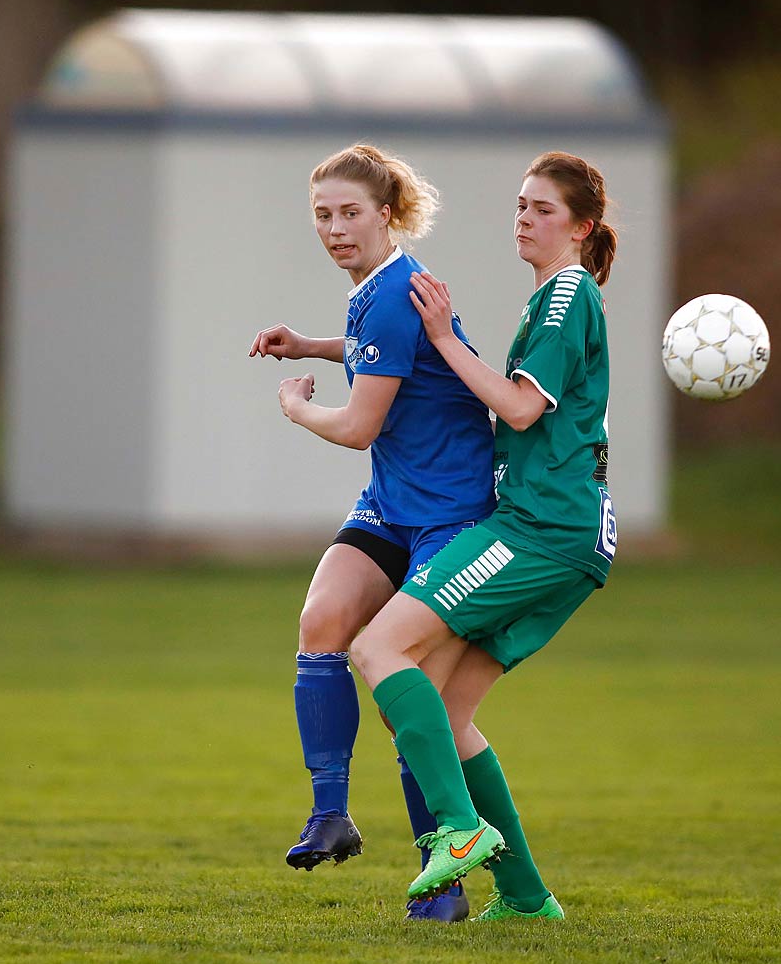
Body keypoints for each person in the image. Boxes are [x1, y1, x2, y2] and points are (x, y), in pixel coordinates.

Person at [348, 151, 619, 920]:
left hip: (539, 529)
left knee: (377, 647)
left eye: (542, 209)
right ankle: (527, 897)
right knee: (443, 707)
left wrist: (442, 335)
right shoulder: (553, 300)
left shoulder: (567, 296)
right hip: (569, 539)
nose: (524, 219)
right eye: (520, 206)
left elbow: (522, 410)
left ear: (582, 227)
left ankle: (461, 831)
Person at [249, 143, 496, 922]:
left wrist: (294, 406)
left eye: (350, 213)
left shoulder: (393, 293)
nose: (334, 228)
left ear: (386, 214)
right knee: (320, 622)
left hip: (450, 518)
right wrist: (313, 344)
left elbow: (358, 427)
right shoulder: (378, 290)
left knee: (406, 700)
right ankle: (331, 814)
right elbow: (388, 356)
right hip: (392, 507)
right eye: (322, 216)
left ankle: (444, 878)